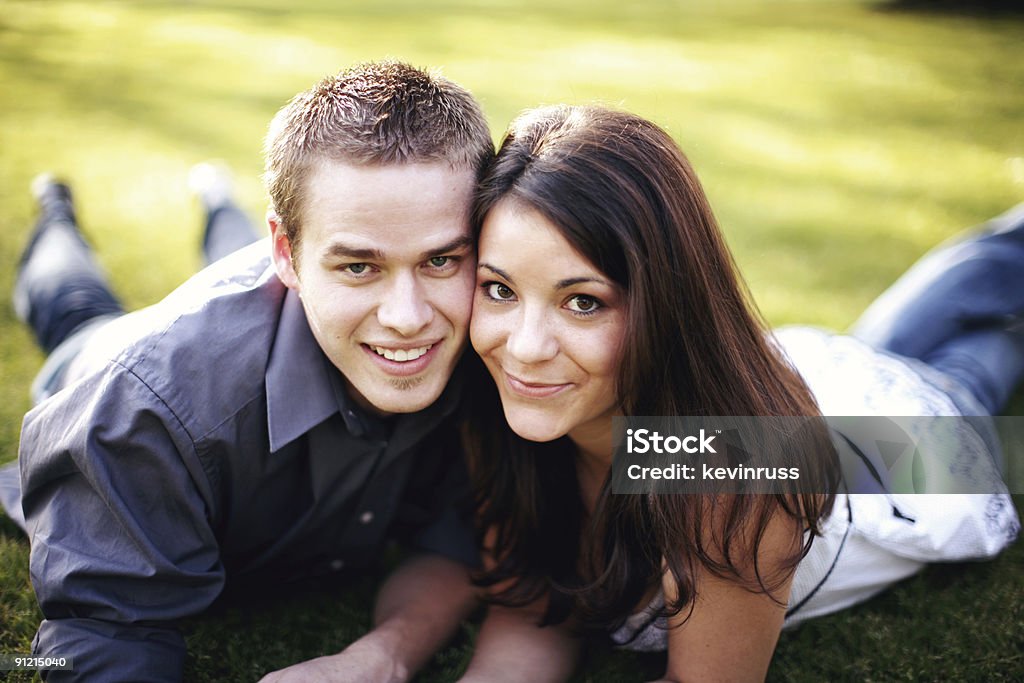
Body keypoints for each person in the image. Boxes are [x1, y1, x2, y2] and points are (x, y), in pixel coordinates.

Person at [456, 104, 1022, 682]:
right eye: (500, 289)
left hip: (902, 447)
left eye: (584, 302)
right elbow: (532, 609)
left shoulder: (724, 484)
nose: (524, 349)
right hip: (802, 396)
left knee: (986, 339)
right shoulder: (505, 405)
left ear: (665, 308)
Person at [0, 60, 494, 682]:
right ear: (285, 254)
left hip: (256, 295)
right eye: (359, 267)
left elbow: (458, 542)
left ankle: (214, 198)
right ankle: (55, 212)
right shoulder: (144, 408)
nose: (407, 318)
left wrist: (384, 656)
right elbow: (102, 634)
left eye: (442, 259)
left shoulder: (500, 342)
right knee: (73, 303)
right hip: (98, 352)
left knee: (230, 245)